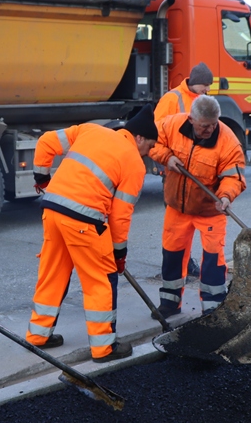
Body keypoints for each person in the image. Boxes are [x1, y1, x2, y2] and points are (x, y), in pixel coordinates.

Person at [25, 105, 158, 362]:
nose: (149, 153)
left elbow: (45, 142)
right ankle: (103, 347)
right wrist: (119, 254)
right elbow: (120, 216)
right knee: (101, 281)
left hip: (51, 211)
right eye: (150, 146)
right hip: (83, 221)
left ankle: (38, 335)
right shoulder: (134, 163)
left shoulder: (90, 130)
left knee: (53, 274)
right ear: (139, 137)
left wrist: (42, 179)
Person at [150, 94, 246, 317]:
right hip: (177, 207)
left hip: (210, 210)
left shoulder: (228, 141)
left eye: (213, 124)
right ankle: (170, 303)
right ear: (191, 120)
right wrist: (166, 157)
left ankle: (212, 308)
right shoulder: (171, 124)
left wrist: (225, 196)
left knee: (213, 259)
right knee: (172, 254)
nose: (209, 130)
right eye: (204, 126)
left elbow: (234, 178)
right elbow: (151, 140)